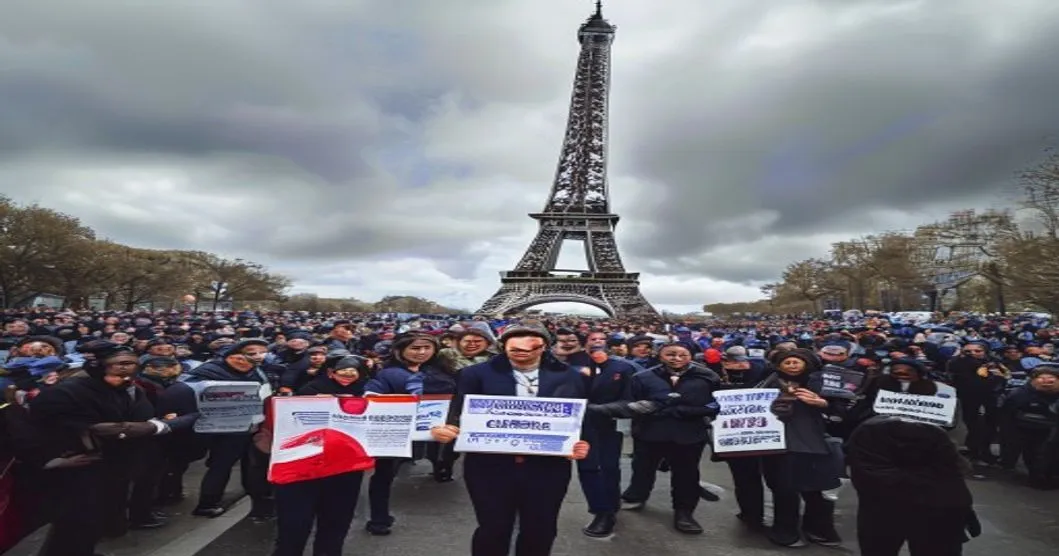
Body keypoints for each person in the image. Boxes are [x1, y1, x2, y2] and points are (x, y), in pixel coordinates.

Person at [431, 324, 590, 556]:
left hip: (547, 466)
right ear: (503, 345)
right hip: (489, 466)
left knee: (541, 529)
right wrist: (444, 429)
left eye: (529, 346)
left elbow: (580, 416)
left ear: (544, 347)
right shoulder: (474, 374)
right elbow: (458, 412)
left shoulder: (570, 376)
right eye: (514, 346)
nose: (520, 351)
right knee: (493, 528)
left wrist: (581, 442)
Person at [258, 355, 373, 556]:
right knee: (294, 526)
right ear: (330, 371)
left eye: (354, 372)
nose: (348, 376)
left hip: (344, 469)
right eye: (341, 370)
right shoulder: (308, 390)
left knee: (336, 524)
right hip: (299, 468)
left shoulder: (370, 395)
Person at [617, 342, 719, 534]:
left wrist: (687, 411)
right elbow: (629, 403)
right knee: (642, 468)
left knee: (687, 475)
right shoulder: (642, 377)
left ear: (691, 355)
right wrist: (642, 408)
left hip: (689, 435)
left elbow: (716, 405)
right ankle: (636, 496)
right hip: (650, 432)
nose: (677, 358)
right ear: (660, 355)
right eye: (671, 354)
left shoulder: (708, 377)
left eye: (683, 354)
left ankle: (684, 512)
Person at [848, 414, 980, 555]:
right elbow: (952, 477)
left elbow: (866, 474)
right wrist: (963, 508)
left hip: (883, 509)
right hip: (937, 509)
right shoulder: (937, 433)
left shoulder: (869, 430)